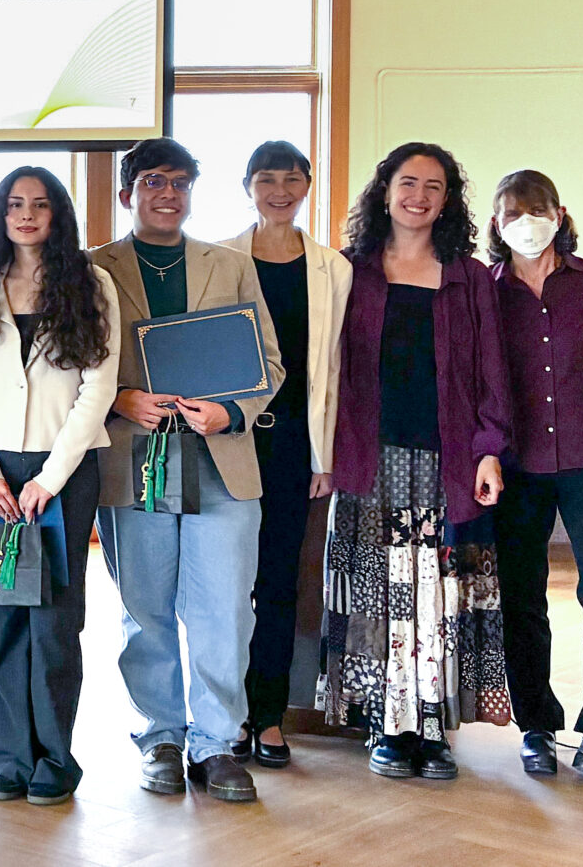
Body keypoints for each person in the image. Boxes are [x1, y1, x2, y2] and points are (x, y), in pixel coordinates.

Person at [92, 139, 281, 805]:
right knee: (145, 610)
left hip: (219, 461)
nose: (167, 193)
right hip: (134, 463)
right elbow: (73, 364)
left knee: (225, 609)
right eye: (152, 182)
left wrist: (231, 411)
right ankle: (161, 737)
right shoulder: (94, 270)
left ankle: (218, 742)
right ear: (127, 195)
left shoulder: (229, 266)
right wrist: (120, 399)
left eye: (179, 182)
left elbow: (269, 362)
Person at [318, 143, 512, 782]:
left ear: (449, 199)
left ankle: (433, 726)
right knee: (380, 594)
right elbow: (326, 371)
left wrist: (489, 449)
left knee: (436, 596)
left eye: (435, 186)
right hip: (369, 459)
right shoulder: (351, 271)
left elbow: (492, 373)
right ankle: (387, 725)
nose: (419, 196)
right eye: (408, 182)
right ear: (385, 190)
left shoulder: (470, 276)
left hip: (447, 462)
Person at [0, 166, 119, 807]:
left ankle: (55, 757)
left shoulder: (90, 283)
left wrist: (50, 477)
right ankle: (12, 757)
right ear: (0, 214)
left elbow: (98, 388)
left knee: (53, 620)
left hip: (63, 475)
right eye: (15, 204)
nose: (26, 215)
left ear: (57, 215)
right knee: (2, 616)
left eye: (39, 205)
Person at [483, 169, 583, 783]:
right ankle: (535, 725)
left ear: (560, 213)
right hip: (515, 466)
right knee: (521, 598)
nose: (525, 222)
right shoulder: (482, 291)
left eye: (536, 210)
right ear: (495, 224)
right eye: (512, 214)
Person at [220, 140, 350, 768]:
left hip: (296, 440)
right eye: (266, 179)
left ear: (306, 185)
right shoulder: (218, 258)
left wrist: (324, 457)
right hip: (229, 438)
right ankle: (222, 716)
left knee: (277, 583)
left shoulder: (332, 267)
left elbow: (333, 368)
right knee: (223, 584)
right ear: (247, 185)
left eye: (291, 178)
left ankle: (266, 716)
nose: (279, 190)